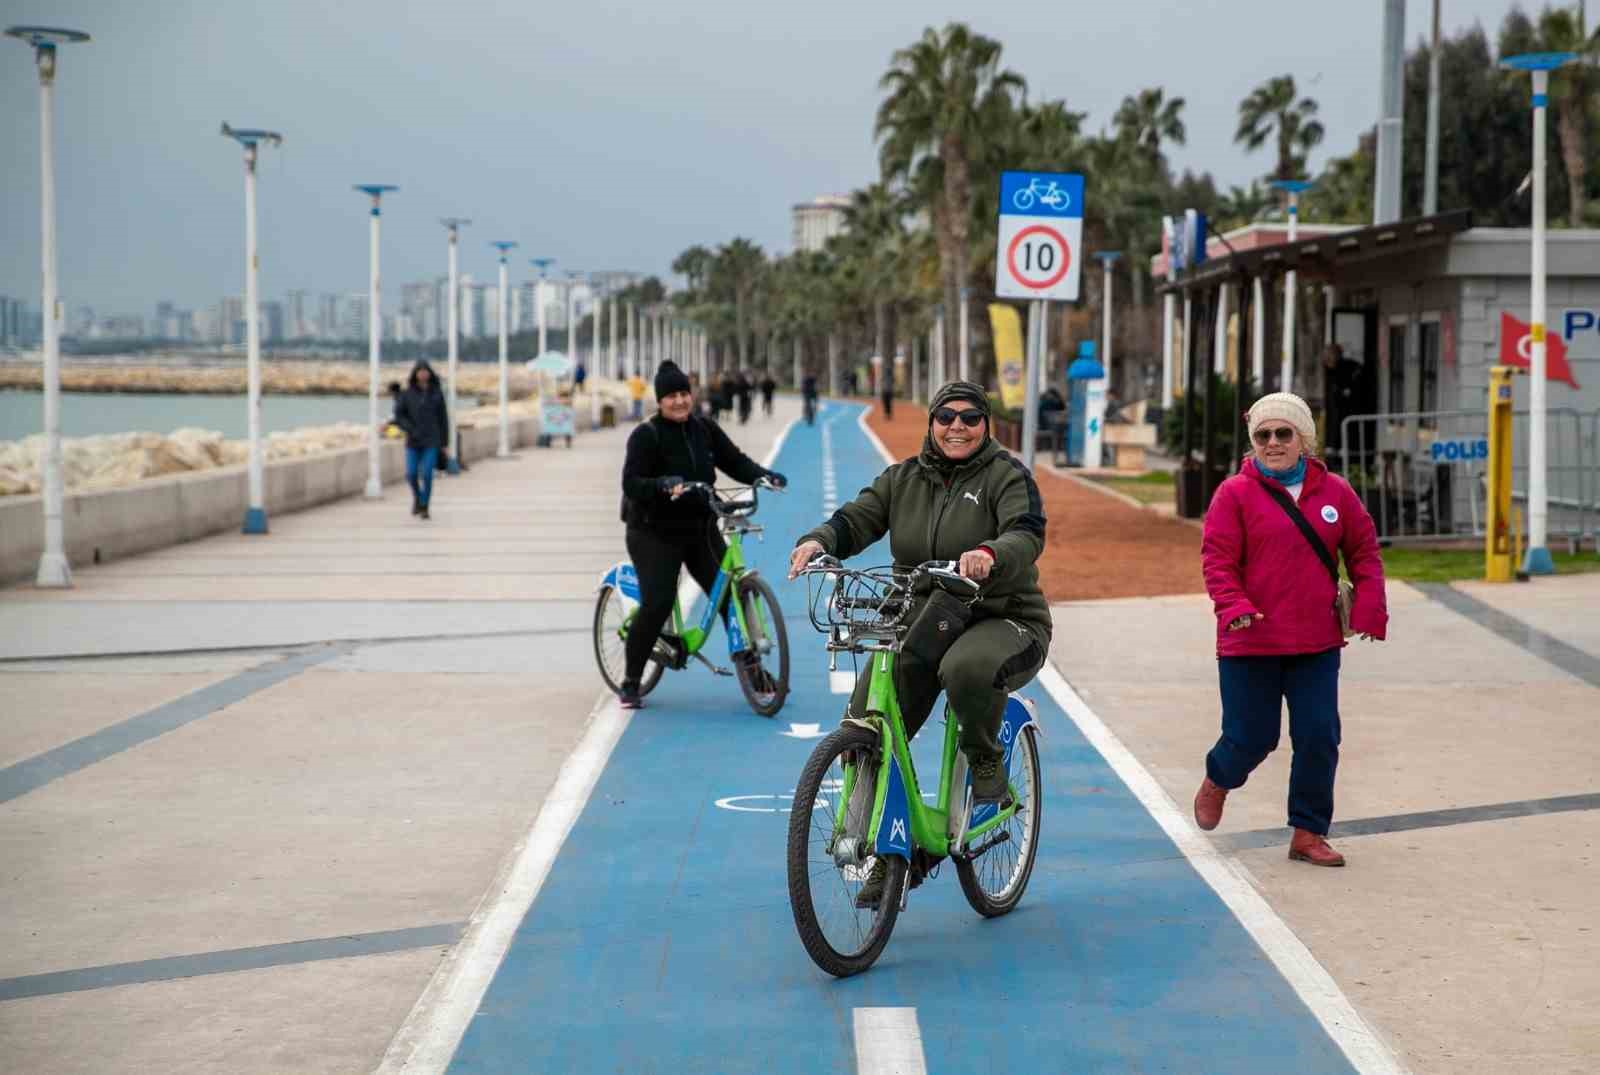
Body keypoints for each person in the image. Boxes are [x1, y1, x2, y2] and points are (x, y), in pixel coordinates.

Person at [788, 381, 1050, 907]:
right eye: (946, 416)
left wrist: (990, 554)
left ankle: (985, 763)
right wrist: (819, 540)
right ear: (931, 422)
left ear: (986, 423)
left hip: (1001, 615)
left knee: (965, 670)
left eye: (970, 418)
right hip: (924, 616)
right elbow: (858, 518)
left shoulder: (1007, 476)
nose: (958, 426)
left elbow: (1026, 533)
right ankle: (893, 854)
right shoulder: (904, 479)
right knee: (868, 722)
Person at [1194, 392, 1387, 867]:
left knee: (1320, 736)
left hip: (1316, 641)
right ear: (1253, 442)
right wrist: (1233, 605)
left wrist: (1370, 610)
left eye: (1284, 433)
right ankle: (1219, 778)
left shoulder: (1336, 493)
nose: (1273, 442)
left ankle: (1308, 831)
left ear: (1304, 438)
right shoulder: (1233, 494)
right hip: (1249, 640)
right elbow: (1217, 560)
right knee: (1251, 737)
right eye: (1263, 435)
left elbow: (1364, 552)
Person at [617, 360, 788, 709]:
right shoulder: (646, 435)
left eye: (684, 393)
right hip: (653, 532)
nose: (679, 401)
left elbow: (735, 461)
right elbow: (631, 483)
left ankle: (757, 677)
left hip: (699, 527)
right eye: (671, 396)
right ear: (660, 400)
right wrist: (662, 484)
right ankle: (631, 681)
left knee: (730, 598)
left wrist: (764, 475)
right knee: (659, 601)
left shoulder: (704, 429)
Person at [392, 360, 449, 520]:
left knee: (427, 473)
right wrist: (409, 427)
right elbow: (399, 415)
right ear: (415, 374)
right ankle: (417, 497)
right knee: (411, 474)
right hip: (413, 441)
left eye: (426, 371)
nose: (423, 374)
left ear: (430, 374)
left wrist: (444, 443)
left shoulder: (436, 394)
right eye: (420, 371)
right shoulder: (407, 394)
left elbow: (443, 419)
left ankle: (424, 505)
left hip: (431, 441)